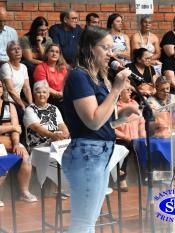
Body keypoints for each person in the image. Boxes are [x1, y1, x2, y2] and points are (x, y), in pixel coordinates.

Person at [61, 26, 132, 232]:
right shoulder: (78, 77)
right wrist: (117, 89)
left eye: (112, 48)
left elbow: (103, 124)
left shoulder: (98, 78)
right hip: (86, 153)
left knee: (90, 219)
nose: (111, 53)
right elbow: (92, 121)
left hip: (100, 151)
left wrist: (121, 119)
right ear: (91, 48)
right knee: (84, 222)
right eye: (106, 48)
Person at [0, 80, 37, 206]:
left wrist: (16, 143)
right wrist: (11, 128)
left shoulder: (9, 105)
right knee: (2, 159)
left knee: (25, 157)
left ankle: (24, 192)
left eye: (0, 86)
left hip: (9, 141)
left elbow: (17, 129)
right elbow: (14, 127)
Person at [115, 85, 146, 191]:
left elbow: (141, 121)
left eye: (130, 90)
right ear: (119, 93)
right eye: (127, 90)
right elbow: (111, 127)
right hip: (121, 138)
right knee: (125, 148)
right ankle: (122, 179)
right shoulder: (115, 107)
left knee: (145, 147)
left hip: (136, 137)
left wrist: (142, 135)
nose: (130, 92)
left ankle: (146, 175)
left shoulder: (135, 103)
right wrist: (124, 136)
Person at [23, 80, 69, 149]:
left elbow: (61, 125)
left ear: (48, 95)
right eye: (38, 92)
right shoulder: (29, 110)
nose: (42, 95)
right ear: (34, 94)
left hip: (56, 143)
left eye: (44, 92)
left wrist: (65, 134)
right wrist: (53, 135)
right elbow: (37, 128)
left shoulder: (54, 108)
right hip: (39, 146)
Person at [0, 41, 32, 122]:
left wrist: (31, 104)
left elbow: (26, 88)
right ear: (8, 53)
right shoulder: (6, 67)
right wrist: (22, 105)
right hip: (7, 102)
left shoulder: (23, 67)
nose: (17, 51)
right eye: (13, 49)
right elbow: (11, 90)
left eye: (19, 48)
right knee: (25, 116)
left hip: (18, 101)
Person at [33, 43, 67, 114]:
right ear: (47, 53)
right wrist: (58, 94)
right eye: (52, 51)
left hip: (62, 97)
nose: (54, 54)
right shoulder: (40, 68)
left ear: (59, 55)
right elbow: (43, 86)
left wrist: (62, 93)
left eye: (57, 52)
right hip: (47, 98)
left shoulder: (62, 67)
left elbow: (65, 83)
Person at [20, 16, 52, 82]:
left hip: (43, 63)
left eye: (45, 30)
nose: (43, 33)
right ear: (35, 29)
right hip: (30, 65)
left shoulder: (49, 40)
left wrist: (39, 45)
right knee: (30, 65)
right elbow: (29, 59)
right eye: (41, 30)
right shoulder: (25, 39)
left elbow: (45, 57)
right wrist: (45, 62)